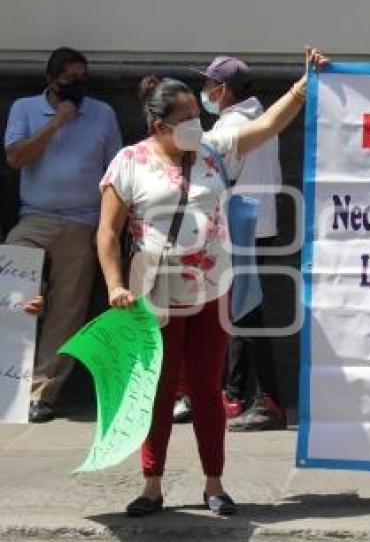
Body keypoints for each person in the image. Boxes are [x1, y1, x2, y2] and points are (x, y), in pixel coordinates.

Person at [97, 47, 328, 517]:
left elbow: (265, 128)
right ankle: (152, 485)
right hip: (155, 295)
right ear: (159, 123)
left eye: (195, 115)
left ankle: (214, 484)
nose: (196, 123)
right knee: (159, 391)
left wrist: (303, 87)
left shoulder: (212, 151)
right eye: (184, 117)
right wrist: (114, 285)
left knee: (206, 390)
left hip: (211, 291)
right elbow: (107, 231)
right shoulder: (129, 161)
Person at [3, 47, 123, 423]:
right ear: (51, 81)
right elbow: (16, 157)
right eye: (70, 79)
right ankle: (8, 388)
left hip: (82, 220)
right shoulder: (25, 108)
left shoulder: (102, 114)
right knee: (13, 286)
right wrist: (57, 122)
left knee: (66, 313)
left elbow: (114, 170)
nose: (78, 86)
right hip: (35, 218)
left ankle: (42, 394)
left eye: (83, 78)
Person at [197, 56, 287, 432]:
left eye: (209, 85)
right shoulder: (262, 119)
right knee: (239, 313)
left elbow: (212, 177)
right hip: (260, 223)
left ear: (224, 90)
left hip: (238, 227)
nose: (205, 93)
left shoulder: (230, 127)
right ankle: (234, 395)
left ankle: (268, 400)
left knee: (246, 316)